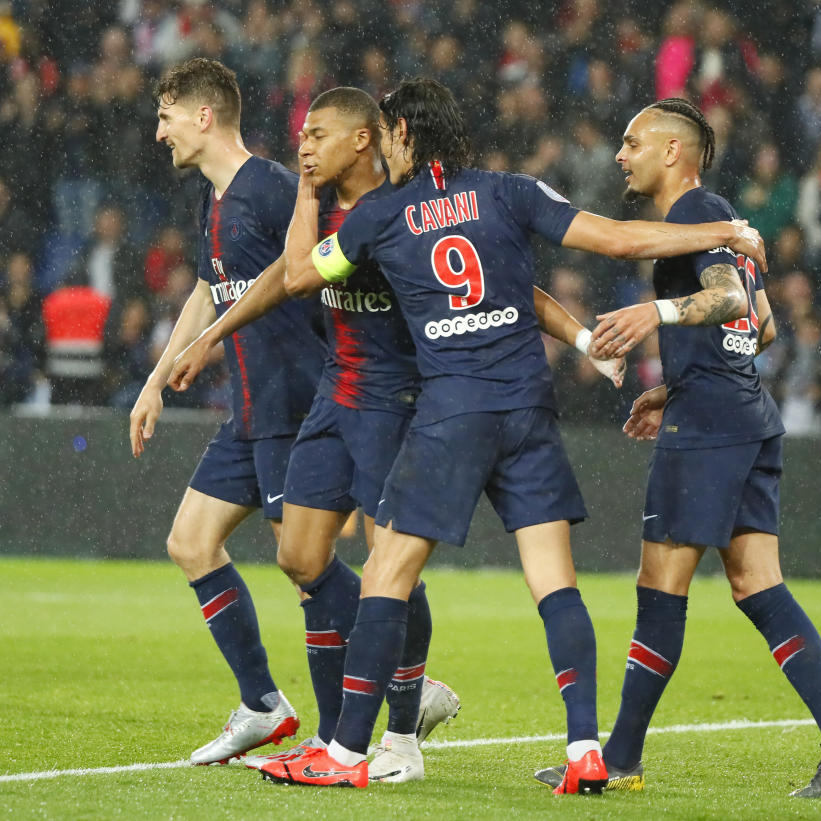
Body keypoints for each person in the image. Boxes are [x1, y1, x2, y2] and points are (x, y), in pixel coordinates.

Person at [275, 78, 767, 794]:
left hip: (451, 412)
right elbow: (619, 239)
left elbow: (296, 275)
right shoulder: (510, 191)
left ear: (405, 134)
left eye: (386, 133)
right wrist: (722, 232)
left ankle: (347, 753)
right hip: (527, 410)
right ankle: (583, 751)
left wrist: (307, 193)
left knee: (386, 572)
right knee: (554, 582)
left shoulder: (379, 215)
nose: (381, 144)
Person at [533, 98, 821, 798]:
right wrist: (680, 382)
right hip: (745, 413)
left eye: (633, 143)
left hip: (710, 430)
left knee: (659, 591)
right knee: (758, 584)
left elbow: (726, 303)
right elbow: (763, 327)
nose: (621, 154)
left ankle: (621, 758)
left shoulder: (694, 215)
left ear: (672, 153)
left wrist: (655, 312)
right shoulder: (719, 219)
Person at [167, 86, 466, 783]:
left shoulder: (400, 211)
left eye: (319, 134)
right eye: (302, 134)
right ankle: (405, 687)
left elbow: (301, 275)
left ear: (363, 140)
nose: (303, 146)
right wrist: (210, 335)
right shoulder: (324, 204)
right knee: (300, 558)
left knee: (391, 565)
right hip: (335, 395)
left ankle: (401, 730)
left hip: (392, 403)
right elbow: (281, 274)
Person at [129, 57, 325, 765]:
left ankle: (403, 681)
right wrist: (156, 380)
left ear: (203, 116)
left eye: (166, 116)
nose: (160, 133)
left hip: (294, 405)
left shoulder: (274, 189)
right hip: (247, 410)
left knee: (308, 566)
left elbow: (321, 272)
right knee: (190, 541)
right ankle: (265, 704)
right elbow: (211, 291)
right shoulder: (210, 200)